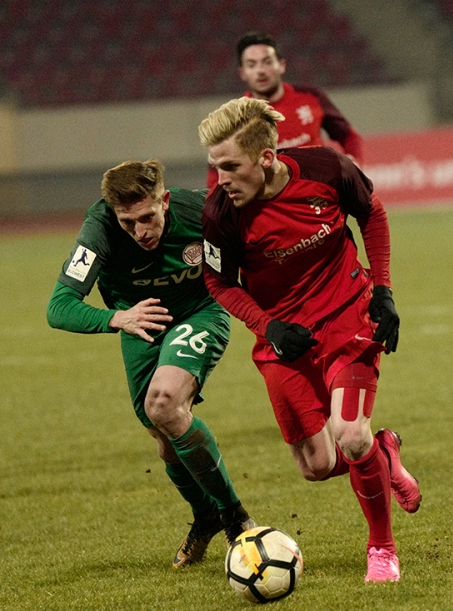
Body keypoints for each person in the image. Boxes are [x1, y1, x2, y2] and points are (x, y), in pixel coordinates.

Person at [198, 97, 420, 583]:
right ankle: (383, 453)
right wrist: (269, 327)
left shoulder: (328, 168)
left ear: (266, 158)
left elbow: (372, 214)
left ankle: (382, 549)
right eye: (215, 167)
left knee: (350, 435)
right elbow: (219, 283)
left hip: (347, 314)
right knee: (316, 465)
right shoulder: (220, 214)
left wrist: (383, 291)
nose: (221, 179)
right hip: (284, 337)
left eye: (230, 167)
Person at [46, 159, 256, 568]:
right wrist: (117, 318)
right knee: (165, 441)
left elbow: (257, 238)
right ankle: (205, 517)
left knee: (163, 403)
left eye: (147, 217)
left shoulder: (201, 210)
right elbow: (59, 307)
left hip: (200, 312)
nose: (140, 231)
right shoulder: (99, 228)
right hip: (139, 323)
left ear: (165, 200)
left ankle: (235, 517)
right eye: (128, 222)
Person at [205, 31, 364, 188]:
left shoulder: (311, 97)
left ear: (281, 65)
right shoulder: (234, 117)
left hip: (320, 192)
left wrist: (355, 163)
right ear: (242, 73)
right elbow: (215, 173)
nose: (260, 70)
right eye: (251, 65)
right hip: (269, 200)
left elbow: (349, 137)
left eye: (267, 62)